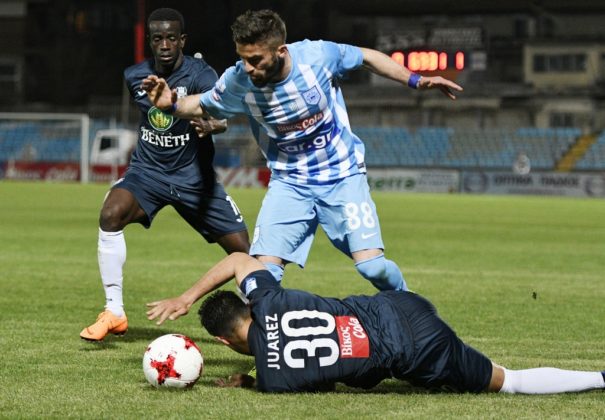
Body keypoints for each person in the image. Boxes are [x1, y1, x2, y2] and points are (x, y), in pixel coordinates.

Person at [141, 9, 464, 293]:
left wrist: (415, 80)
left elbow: (366, 57)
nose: (248, 67)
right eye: (243, 58)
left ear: (280, 51)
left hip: (342, 175)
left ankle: (410, 304)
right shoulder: (238, 80)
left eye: (256, 60)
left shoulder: (317, 56)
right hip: (290, 183)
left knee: (373, 268)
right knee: (261, 275)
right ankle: (264, 341)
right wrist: (171, 104)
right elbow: (202, 104)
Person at [148, 252, 605, 394]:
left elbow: (319, 378)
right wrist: (187, 298)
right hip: (399, 304)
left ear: (225, 343)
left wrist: (249, 381)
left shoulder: (274, 381)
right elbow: (237, 259)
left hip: (416, 351)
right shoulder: (269, 298)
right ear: (248, 308)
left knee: (509, 382)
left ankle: (600, 379)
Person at [80, 8, 250, 342]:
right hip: (149, 173)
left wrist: (211, 125)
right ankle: (114, 311)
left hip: (195, 180)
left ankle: (255, 316)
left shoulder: (201, 74)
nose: (165, 44)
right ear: (150, 41)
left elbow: (221, 118)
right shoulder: (135, 76)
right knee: (111, 213)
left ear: (182, 40)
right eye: (158, 38)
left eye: (172, 38)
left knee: (245, 251)